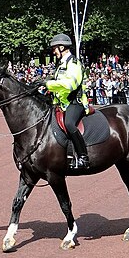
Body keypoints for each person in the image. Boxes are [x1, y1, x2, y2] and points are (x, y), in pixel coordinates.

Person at [45, 33, 90, 170]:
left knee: (69, 124)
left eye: (54, 49)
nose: (53, 52)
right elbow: (58, 85)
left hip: (75, 103)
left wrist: (49, 84)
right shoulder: (61, 65)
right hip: (61, 103)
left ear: (62, 47)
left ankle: (83, 157)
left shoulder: (74, 63)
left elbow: (70, 84)